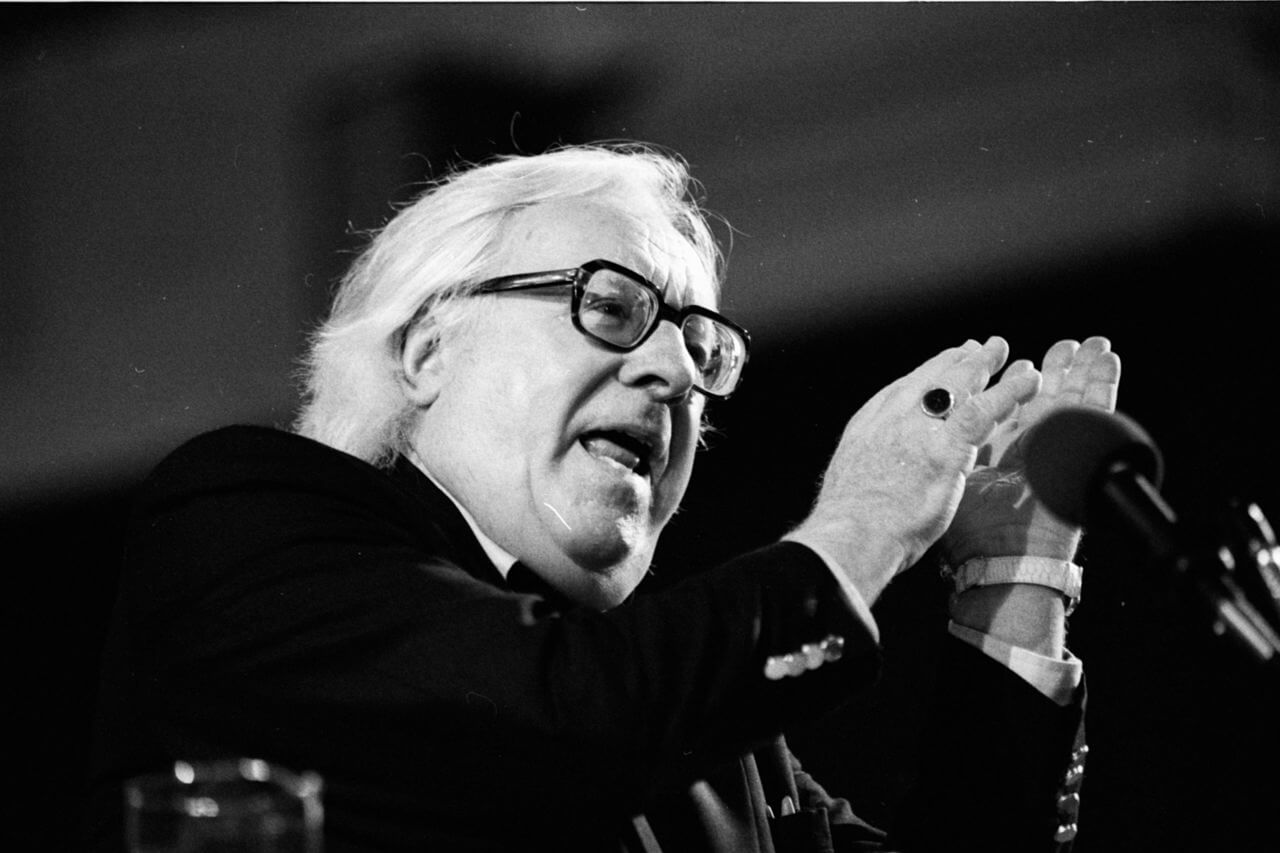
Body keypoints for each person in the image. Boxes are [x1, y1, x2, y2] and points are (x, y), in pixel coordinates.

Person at [86, 143, 1119, 852]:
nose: (673, 373)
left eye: (699, 346)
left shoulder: (713, 738)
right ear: (426, 348)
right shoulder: (242, 525)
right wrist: (860, 523)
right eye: (612, 307)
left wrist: (1011, 574)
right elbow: (552, 717)